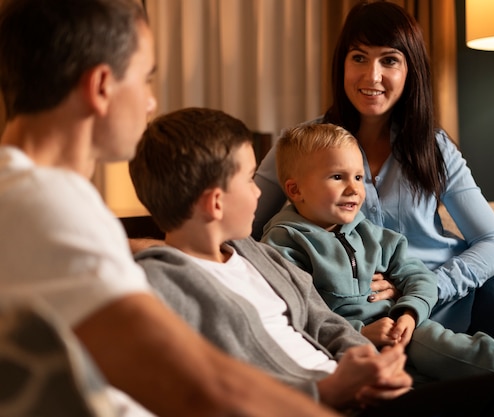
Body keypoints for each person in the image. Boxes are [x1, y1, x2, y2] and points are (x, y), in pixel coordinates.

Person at [251, 0, 494, 392]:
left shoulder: (432, 146)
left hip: (467, 298)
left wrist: (425, 285)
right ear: (341, 64)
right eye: (359, 57)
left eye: (389, 60)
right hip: (379, 323)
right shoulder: (300, 147)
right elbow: (242, 229)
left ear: (410, 69)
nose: (372, 75)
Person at [128, 106, 494, 417]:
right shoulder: (166, 285)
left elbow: (323, 322)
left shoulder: (257, 256)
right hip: (326, 404)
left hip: (373, 386)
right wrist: (327, 390)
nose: (258, 192)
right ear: (214, 202)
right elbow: (207, 391)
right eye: (249, 180)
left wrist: (370, 361)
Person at [0, 1, 340, 416]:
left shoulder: (27, 200)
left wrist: (128, 246)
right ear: (101, 86)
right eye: (145, 79)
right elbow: (203, 391)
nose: (150, 102)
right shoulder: (47, 204)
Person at [260, 122, 494, 417]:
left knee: (470, 350)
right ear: (294, 189)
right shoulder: (285, 242)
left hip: (413, 324)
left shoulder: (371, 232)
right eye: (337, 177)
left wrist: (408, 311)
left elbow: (417, 273)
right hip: (355, 342)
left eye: (358, 177)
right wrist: (361, 332)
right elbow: (298, 313)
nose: (355, 189)